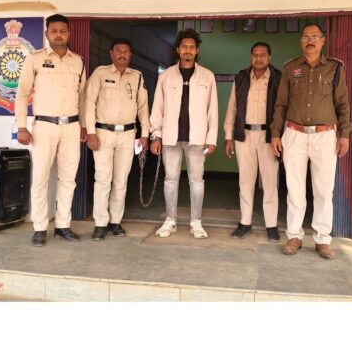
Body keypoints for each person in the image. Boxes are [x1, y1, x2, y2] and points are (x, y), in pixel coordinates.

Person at [270, 23, 352, 259]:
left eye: (315, 37)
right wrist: (275, 133)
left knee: (324, 189)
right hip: (294, 134)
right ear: (301, 42)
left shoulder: (335, 68)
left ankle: (322, 239)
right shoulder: (291, 68)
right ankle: (294, 236)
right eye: (306, 37)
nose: (310, 41)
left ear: (322, 41)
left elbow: (342, 104)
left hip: (324, 135)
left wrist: (344, 134)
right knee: (295, 189)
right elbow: (281, 104)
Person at [15, 13, 87, 247]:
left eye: (63, 31)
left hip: (71, 126)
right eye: (54, 31)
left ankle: (63, 225)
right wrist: (21, 127)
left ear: (69, 34)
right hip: (44, 126)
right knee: (40, 178)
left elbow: (83, 97)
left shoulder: (78, 61)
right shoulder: (34, 59)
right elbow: (22, 94)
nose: (58, 35)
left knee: (68, 178)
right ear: (47, 34)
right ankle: (39, 227)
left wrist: (84, 126)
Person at [149, 28, 218, 239]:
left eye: (192, 47)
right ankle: (170, 220)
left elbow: (213, 110)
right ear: (178, 50)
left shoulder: (207, 76)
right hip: (170, 138)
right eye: (184, 47)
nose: (188, 50)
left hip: (197, 138)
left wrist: (211, 139)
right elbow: (157, 107)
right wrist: (156, 135)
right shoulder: (166, 75)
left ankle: (196, 222)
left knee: (197, 181)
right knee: (170, 180)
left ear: (197, 50)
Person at [84, 38, 149, 241]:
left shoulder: (137, 76)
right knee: (103, 179)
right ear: (111, 53)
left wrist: (145, 135)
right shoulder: (100, 73)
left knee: (121, 180)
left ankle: (115, 221)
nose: (122, 54)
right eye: (118, 51)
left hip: (128, 135)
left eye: (126, 51)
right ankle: (100, 224)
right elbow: (89, 103)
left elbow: (143, 108)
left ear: (130, 55)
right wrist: (90, 132)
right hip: (103, 133)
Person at [224, 42, 282, 243]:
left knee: (270, 182)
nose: (259, 58)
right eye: (255, 55)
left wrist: (280, 136)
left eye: (263, 54)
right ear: (251, 57)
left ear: (269, 57)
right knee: (245, 182)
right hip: (245, 135)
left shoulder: (279, 78)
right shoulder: (241, 78)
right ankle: (245, 223)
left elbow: (283, 108)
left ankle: (271, 226)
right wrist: (228, 136)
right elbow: (232, 108)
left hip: (269, 136)